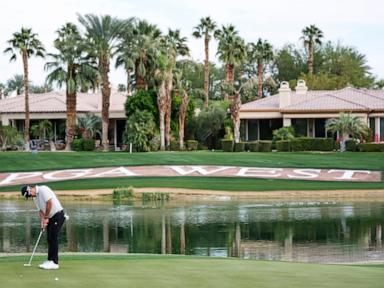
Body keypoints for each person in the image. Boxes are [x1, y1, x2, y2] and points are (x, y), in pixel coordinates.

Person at [21, 184, 66, 270]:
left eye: (29, 195)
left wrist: (46, 217)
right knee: (49, 238)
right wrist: (42, 221)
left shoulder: (43, 189)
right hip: (50, 217)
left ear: (30, 189)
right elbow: (41, 210)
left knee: (53, 238)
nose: (31, 197)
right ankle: (50, 260)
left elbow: (49, 203)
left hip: (58, 215)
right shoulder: (35, 198)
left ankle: (54, 262)